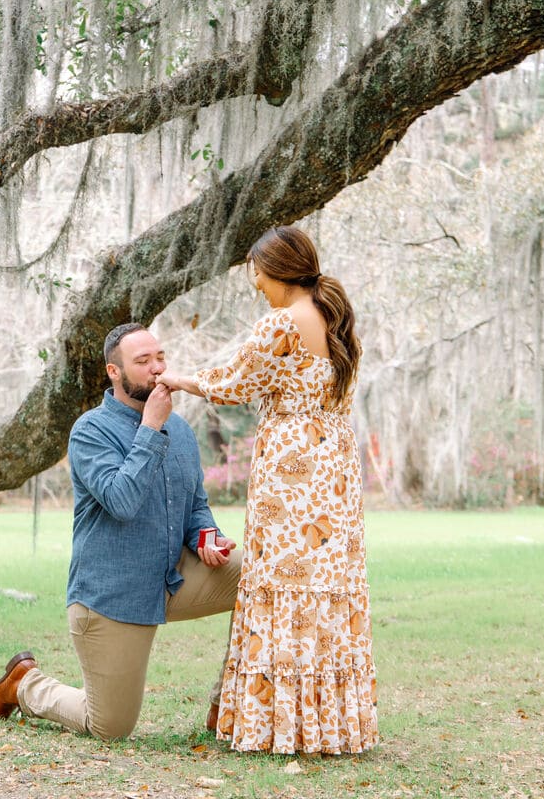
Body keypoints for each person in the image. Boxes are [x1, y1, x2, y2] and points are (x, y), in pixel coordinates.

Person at [157, 225, 379, 755]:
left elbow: (233, 384)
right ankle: (328, 727)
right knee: (323, 588)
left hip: (293, 476)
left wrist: (180, 380)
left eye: (256, 270)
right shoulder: (334, 318)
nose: (254, 281)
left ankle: (279, 725)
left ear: (277, 270)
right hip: (336, 474)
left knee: (283, 583)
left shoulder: (282, 323)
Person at [0, 323, 243, 740]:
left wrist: (206, 537)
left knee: (264, 576)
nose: (157, 369)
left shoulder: (180, 431)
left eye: (160, 358)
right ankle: (24, 685)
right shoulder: (90, 431)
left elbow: (194, 504)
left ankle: (229, 704)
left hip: (174, 579)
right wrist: (150, 429)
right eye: (142, 362)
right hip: (113, 596)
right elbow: (121, 501)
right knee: (110, 726)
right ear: (114, 372)